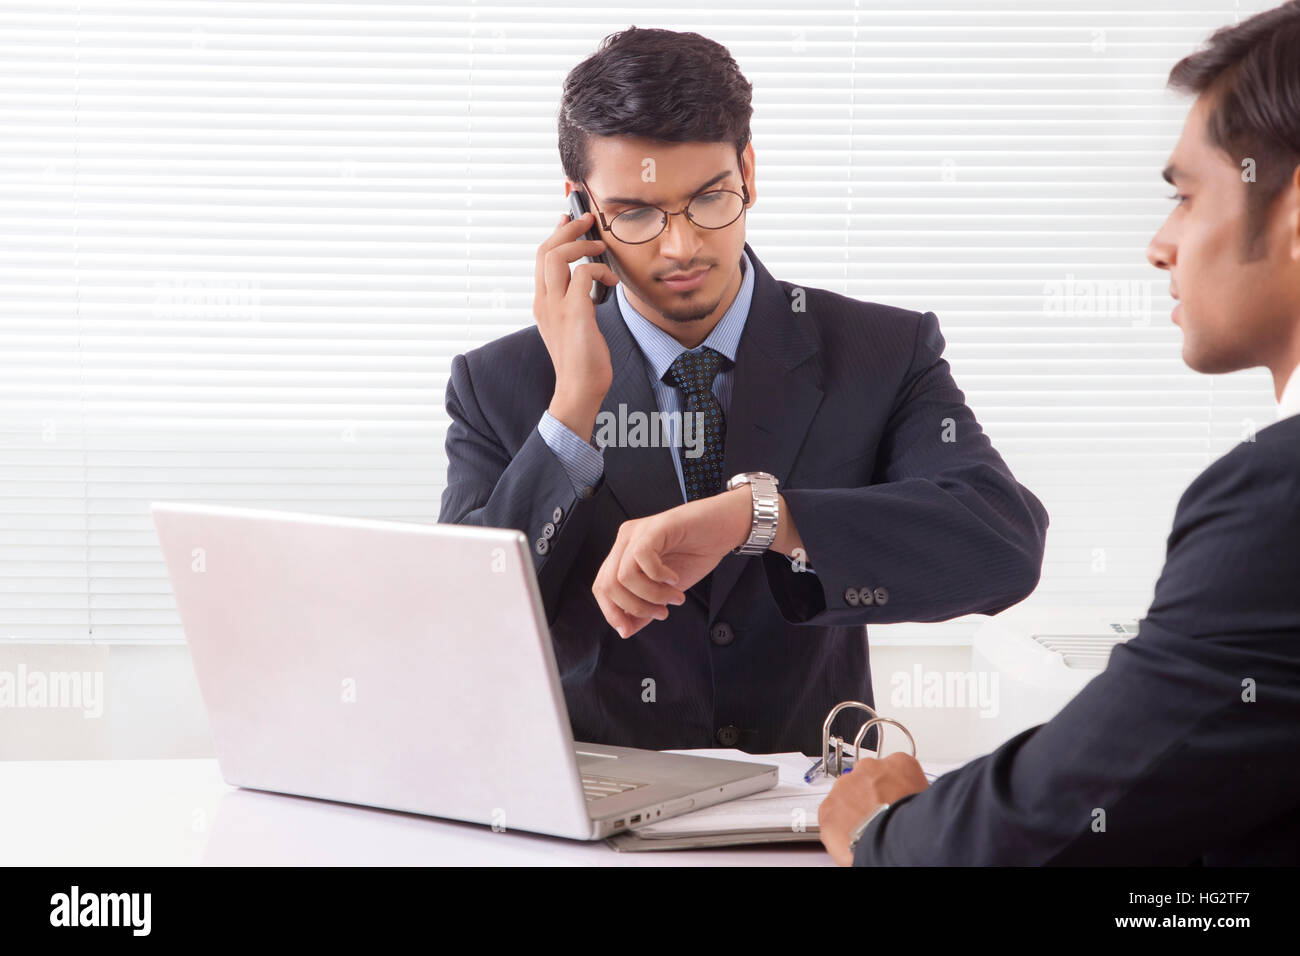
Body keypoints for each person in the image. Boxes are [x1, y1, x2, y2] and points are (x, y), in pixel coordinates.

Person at [439, 27, 1047, 755]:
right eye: (634, 212)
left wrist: (767, 519)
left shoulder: (880, 351)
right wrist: (571, 412)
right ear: (581, 213)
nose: (682, 246)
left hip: (813, 819)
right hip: (595, 823)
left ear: (749, 171)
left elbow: (1002, 546)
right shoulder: (501, 383)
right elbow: (462, 629)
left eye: (710, 198)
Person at [820, 0, 1300, 865]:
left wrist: (878, 833)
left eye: (1187, 197)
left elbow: (1057, 816)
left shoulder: (1277, 502)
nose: (1161, 246)